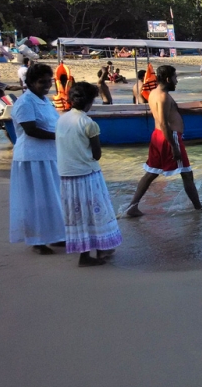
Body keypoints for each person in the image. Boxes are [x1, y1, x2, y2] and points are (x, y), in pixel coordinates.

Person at [56, 82, 122, 267]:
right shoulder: (89, 124)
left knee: (78, 216)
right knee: (96, 212)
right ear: (89, 102)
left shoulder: (61, 119)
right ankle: (98, 251)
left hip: (67, 176)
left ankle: (90, 252)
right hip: (87, 175)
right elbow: (97, 154)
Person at [126, 66, 202, 217]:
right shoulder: (162, 96)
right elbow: (163, 123)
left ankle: (132, 207)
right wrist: (174, 147)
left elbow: (172, 110)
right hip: (169, 137)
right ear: (168, 79)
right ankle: (199, 208)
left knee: (151, 173)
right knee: (186, 174)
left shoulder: (155, 93)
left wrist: (196, 112)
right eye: (175, 78)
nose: (177, 81)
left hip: (157, 137)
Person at [9, 63, 66, 254]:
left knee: (52, 198)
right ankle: (37, 241)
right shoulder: (25, 102)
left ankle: (56, 235)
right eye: (42, 82)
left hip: (48, 156)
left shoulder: (44, 100)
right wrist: (60, 136)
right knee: (36, 200)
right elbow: (31, 130)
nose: (47, 85)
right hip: (31, 158)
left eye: (49, 81)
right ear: (31, 82)